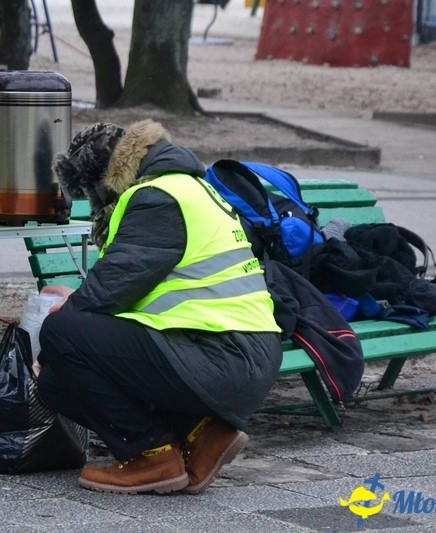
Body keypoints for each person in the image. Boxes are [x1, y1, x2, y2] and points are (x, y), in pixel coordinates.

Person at [33, 119, 282, 495]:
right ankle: (199, 436)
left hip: (222, 356)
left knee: (60, 334)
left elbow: (109, 290)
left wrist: (69, 308)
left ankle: (151, 457)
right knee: (54, 381)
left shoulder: (156, 198)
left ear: (104, 181)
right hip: (232, 352)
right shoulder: (188, 187)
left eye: (92, 195)